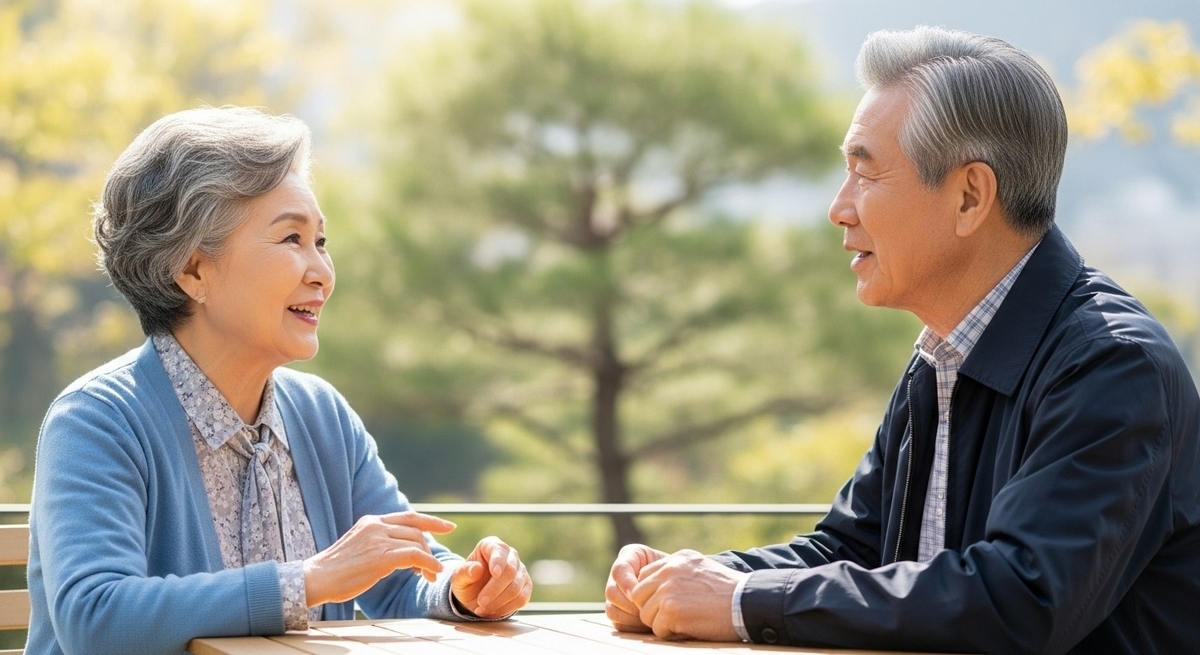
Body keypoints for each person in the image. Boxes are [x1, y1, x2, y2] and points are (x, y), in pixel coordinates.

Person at [605, 25, 1200, 655]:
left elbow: (1021, 598)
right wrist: (689, 582)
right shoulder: (943, 355)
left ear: (969, 196)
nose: (839, 208)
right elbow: (851, 550)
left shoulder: (1112, 365)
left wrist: (739, 601)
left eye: (866, 174)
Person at [26, 106, 532, 655]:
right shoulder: (97, 419)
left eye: (321, 242)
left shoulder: (321, 414)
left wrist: (463, 589)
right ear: (193, 270)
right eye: (292, 238)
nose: (323, 274)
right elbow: (95, 617)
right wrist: (307, 581)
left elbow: (401, 574)